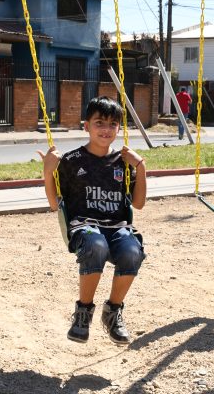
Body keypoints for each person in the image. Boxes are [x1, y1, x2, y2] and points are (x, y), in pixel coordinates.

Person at [38, 96, 147, 345]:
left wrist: (141, 167)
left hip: (117, 227)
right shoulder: (72, 160)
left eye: (112, 124)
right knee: (96, 245)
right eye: (99, 123)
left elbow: (138, 204)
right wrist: (48, 171)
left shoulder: (123, 161)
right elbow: (56, 204)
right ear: (86, 126)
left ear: (119, 128)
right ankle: (83, 312)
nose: (106, 129)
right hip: (83, 226)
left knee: (133, 251)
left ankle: (113, 311)